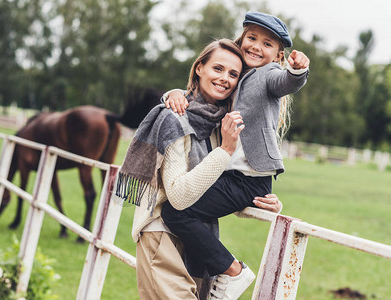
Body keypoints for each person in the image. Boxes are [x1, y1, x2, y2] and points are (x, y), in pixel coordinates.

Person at [114, 39, 282, 300]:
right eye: (217, 68)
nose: (225, 78)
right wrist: (224, 150)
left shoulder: (221, 123)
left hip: (199, 243)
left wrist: (261, 202)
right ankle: (235, 270)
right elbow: (179, 197)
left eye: (233, 74)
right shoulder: (174, 117)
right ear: (199, 68)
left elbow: (218, 188)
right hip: (162, 235)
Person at [160, 11, 310, 300]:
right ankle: (218, 274)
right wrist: (173, 93)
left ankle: (232, 271)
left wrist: (297, 70)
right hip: (230, 174)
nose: (256, 46)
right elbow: (204, 91)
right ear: (241, 40)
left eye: (267, 44)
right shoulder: (236, 73)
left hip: (249, 179)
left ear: (279, 55)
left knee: (176, 212)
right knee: (179, 209)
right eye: (251, 38)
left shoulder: (270, 75)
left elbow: (287, 84)